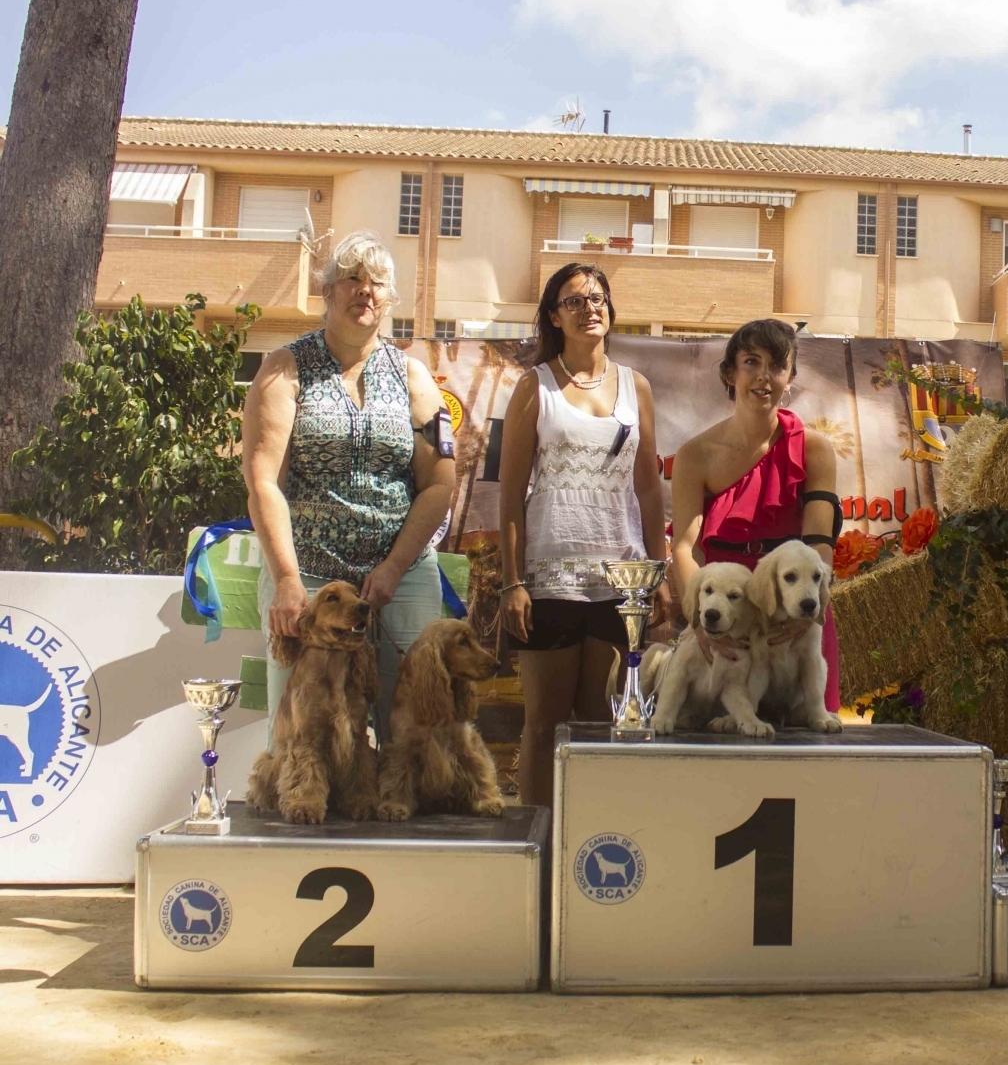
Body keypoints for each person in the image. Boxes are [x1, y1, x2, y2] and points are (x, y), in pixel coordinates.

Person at [242, 230, 457, 744]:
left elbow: (439, 484)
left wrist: (394, 567)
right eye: (352, 279)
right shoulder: (283, 369)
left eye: (377, 282)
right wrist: (287, 580)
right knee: (301, 738)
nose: (365, 290)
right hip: (310, 580)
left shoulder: (415, 377)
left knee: (417, 733)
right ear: (327, 292)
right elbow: (263, 481)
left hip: (401, 577)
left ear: (389, 298)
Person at [498, 263, 667, 808]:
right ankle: (537, 837)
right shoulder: (535, 386)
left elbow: (649, 489)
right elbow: (510, 493)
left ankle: (595, 837)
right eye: (574, 301)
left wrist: (658, 574)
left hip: (621, 584)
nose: (589, 308)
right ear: (554, 316)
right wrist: (511, 582)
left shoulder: (637, 387)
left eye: (597, 298)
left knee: (602, 723)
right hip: (547, 583)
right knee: (544, 725)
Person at [669, 318, 841, 712]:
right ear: (730, 373)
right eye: (751, 362)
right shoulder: (694, 455)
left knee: (811, 740)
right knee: (721, 737)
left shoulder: (815, 450)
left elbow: (819, 543)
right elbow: (686, 549)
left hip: (796, 615)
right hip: (727, 619)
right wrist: (702, 623)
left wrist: (804, 614)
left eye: (777, 365)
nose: (764, 376)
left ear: (790, 378)